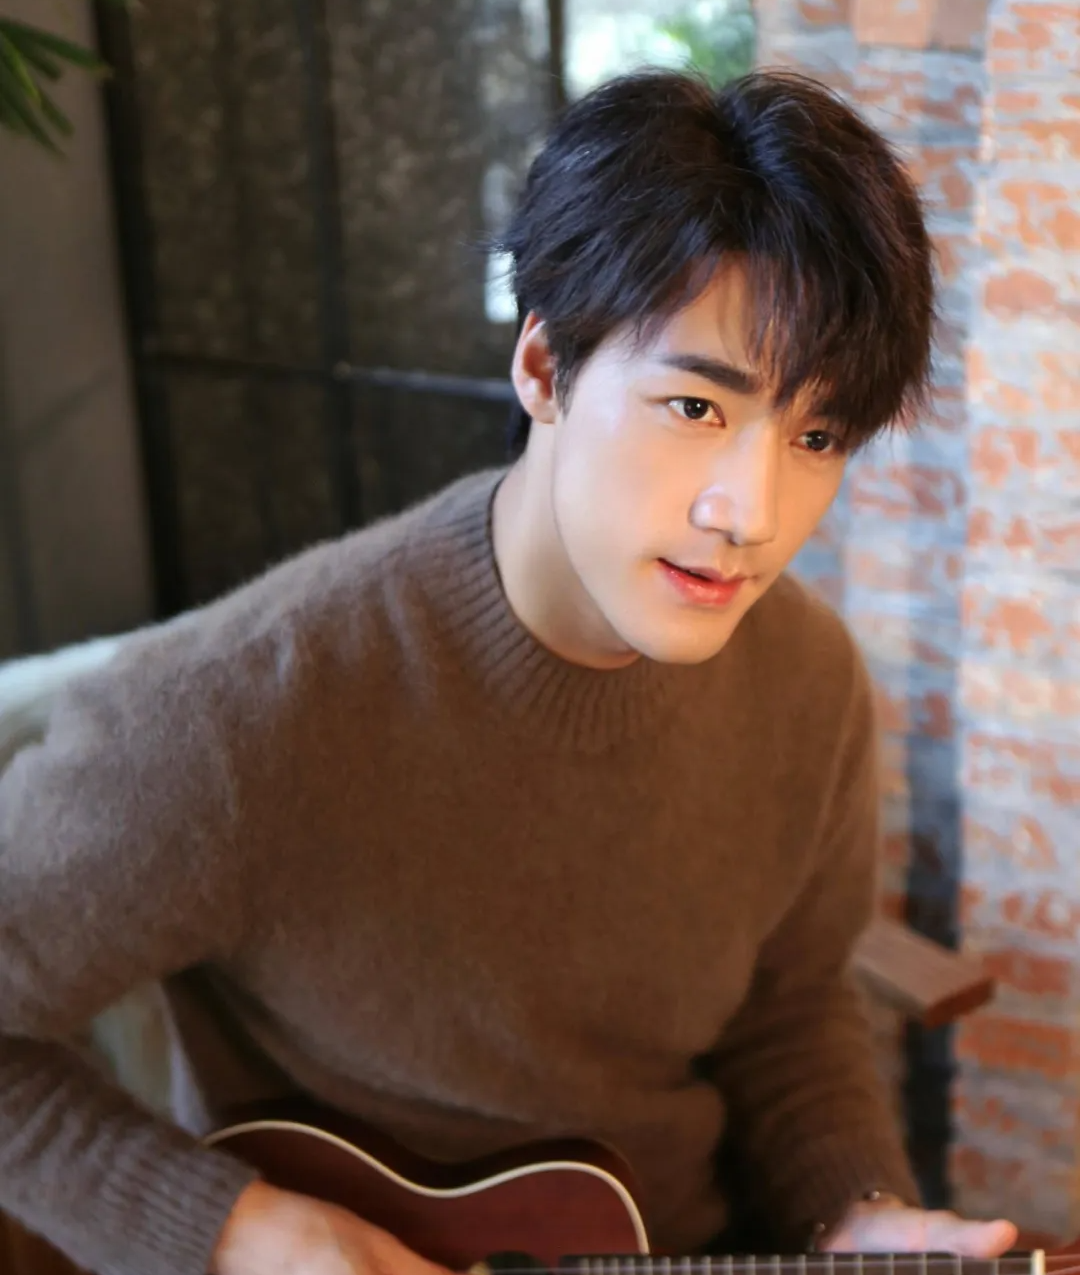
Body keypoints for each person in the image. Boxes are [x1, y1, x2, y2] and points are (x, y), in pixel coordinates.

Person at [0, 68, 1017, 1275]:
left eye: (816, 436)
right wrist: (231, 1228)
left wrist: (853, 1209)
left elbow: (789, 1018)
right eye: (695, 407)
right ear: (543, 368)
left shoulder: (810, 685)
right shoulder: (238, 715)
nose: (750, 513)